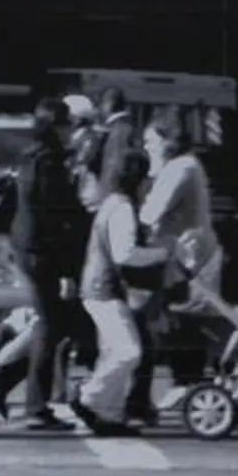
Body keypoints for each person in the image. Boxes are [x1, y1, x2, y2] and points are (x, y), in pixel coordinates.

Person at [0, 95, 86, 427]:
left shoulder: (31, 157)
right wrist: (68, 268)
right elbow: (55, 219)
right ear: (56, 127)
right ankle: (33, 406)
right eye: (68, 125)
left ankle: (4, 380)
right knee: (51, 324)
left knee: (55, 322)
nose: (71, 131)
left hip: (29, 248)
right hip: (42, 253)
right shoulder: (49, 162)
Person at [138, 110, 237, 401]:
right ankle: (187, 383)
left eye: (150, 141)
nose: (146, 147)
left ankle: (187, 385)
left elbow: (151, 213)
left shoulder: (180, 168)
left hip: (189, 260)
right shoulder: (185, 165)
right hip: (186, 256)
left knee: (183, 321)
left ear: (166, 141)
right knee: (184, 321)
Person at [73, 147, 164, 436]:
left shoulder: (111, 202)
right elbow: (124, 254)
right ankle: (89, 397)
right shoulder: (123, 207)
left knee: (112, 351)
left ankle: (108, 416)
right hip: (105, 289)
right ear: (137, 178)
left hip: (98, 286)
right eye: (147, 177)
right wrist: (162, 254)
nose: (149, 184)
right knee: (128, 351)